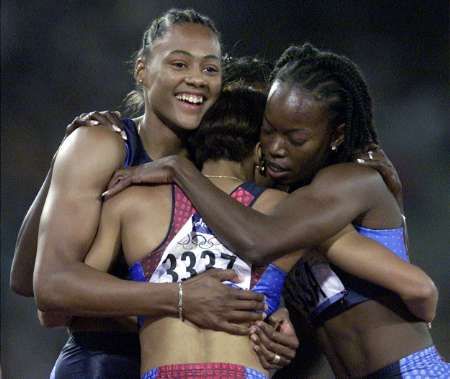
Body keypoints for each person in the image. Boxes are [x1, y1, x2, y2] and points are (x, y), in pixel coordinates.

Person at [103, 43, 448, 378]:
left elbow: (422, 291)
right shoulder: (288, 205)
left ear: (336, 134)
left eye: (295, 139)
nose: (276, 149)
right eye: (268, 132)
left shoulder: (344, 183)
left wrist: (181, 170)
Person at [11, 9, 274, 379]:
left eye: (210, 69)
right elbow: (46, 288)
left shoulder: (213, 163)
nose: (196, 79)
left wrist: (275, 323)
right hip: (103, 365)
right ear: (142, 71)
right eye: (179, 64)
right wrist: (180, 300)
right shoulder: (104, 144)